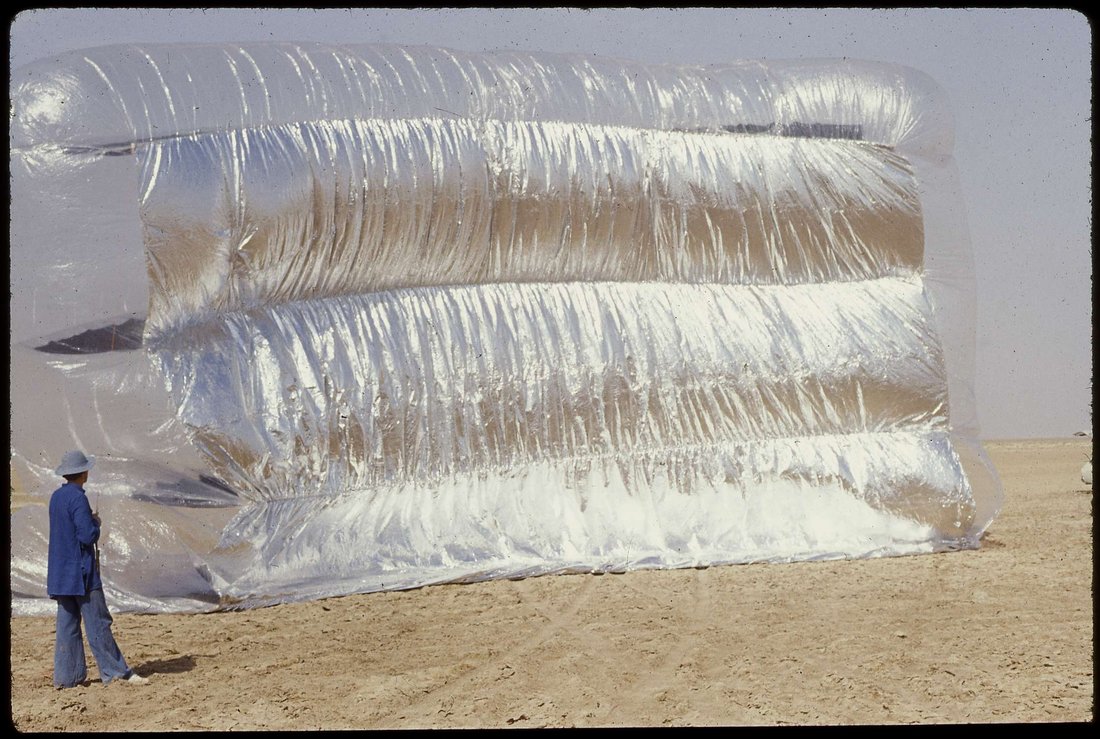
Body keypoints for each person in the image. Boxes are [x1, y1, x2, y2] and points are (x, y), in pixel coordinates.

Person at [47, 449, 149, 688]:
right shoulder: (79, 498)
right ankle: (116, 672)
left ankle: (67, 678)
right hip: (81, 573)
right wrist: (95, 523)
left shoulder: (56, 497)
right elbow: (86, 535)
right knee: (98, 622)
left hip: (61, 575)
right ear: (83, 473)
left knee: (67, 626)